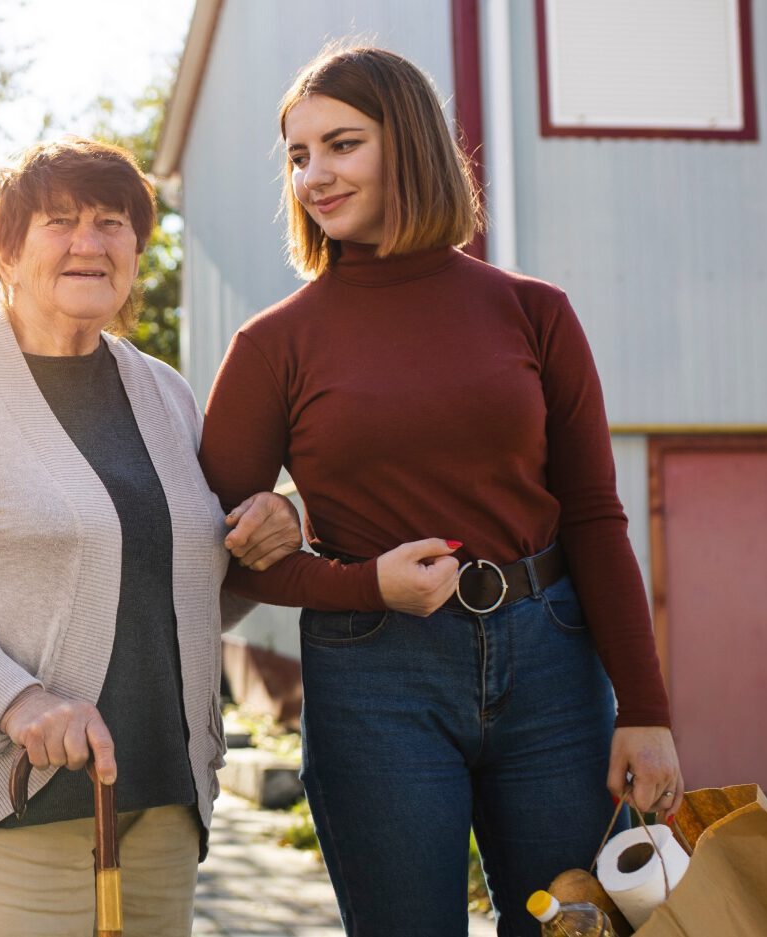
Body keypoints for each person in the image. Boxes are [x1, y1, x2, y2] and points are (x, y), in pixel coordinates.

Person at [198, 47, 684, 936]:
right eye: (298, 156)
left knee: (567, 930)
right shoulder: (273, 345)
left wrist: (645, 710)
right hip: (374, 672)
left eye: (341, 144)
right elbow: (215, 556)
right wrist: (355, 581)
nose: (314, 175)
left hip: (553, 665)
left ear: (410, 143)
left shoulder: (535, 312)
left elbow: (593, 516)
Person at [0, 137, 298, 936]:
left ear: (135, 248)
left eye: (112, 222)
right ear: (7, 252)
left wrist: (288, 516)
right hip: (0, 810)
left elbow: (188, 583)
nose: (88, 242)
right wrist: (19, 699)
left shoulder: (164, 392)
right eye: (59, 221)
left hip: (161, 805)